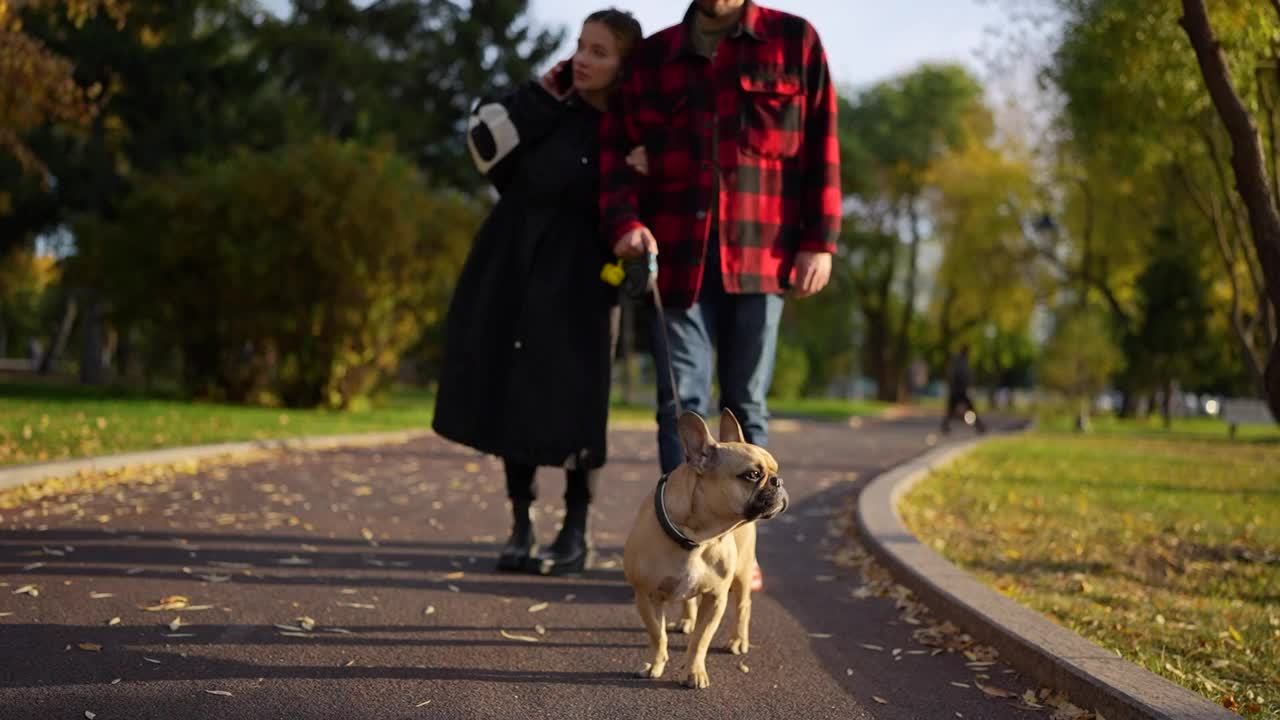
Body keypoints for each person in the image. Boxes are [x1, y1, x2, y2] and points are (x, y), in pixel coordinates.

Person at [599, 0, 841, 590]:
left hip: (764, 258)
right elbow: (613, 152)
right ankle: (679, 545)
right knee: (677, 403)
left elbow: (821, 150)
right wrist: (626, 222)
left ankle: (735, 550)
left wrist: (821, 242)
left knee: (747, 402)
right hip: (678, 259)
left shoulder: (796, 42)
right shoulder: (655, 57)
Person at [432, 9, 644, 576]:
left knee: (581, 399)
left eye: (600, 51)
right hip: (512, 263)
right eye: (581, 45)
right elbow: (481, 142)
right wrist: (545, 90)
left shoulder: (631, 132)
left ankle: (575, 530)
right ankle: (521, 524)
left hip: (584, 280)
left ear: (626, 65)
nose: (583, 58)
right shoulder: (546, 108)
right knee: (513, 391)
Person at [941, 344, 986, 434]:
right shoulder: (961, 361)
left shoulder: (956, 360)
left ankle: (945, 426)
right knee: (970, 409)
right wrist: (969, 382)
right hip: (959, 391)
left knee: (951, 411)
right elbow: (963, 375)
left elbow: (951, 375)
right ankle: (980, 427)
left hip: (956, 391)